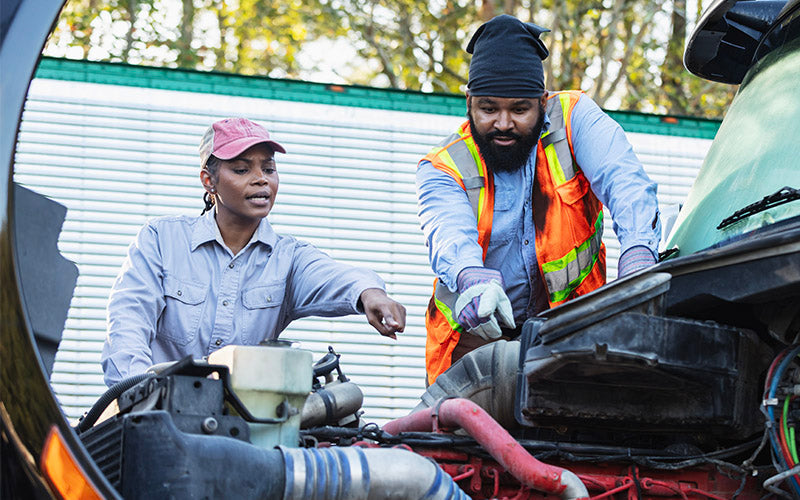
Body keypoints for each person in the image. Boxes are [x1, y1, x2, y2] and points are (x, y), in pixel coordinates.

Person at [416, 15, 661, 384]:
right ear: (469, 103)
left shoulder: (575, 118)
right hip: (475, 343)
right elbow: (447, 234)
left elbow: (625, 182)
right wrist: (470, 276)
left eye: (519, 109)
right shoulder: (442, 166)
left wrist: (639, 251)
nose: (503, 123)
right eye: (488, 109)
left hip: (572, 332)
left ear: (542, 102)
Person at [101, 117, 406, 386]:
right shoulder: (161, 239)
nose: (261, 179)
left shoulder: (289, 258)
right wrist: (138, 397)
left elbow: (334, 275)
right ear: (209, 181)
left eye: (269, 168)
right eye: (242, 169)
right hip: (158, 416)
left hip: (246, 422)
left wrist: (371, 294)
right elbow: (128, 324)